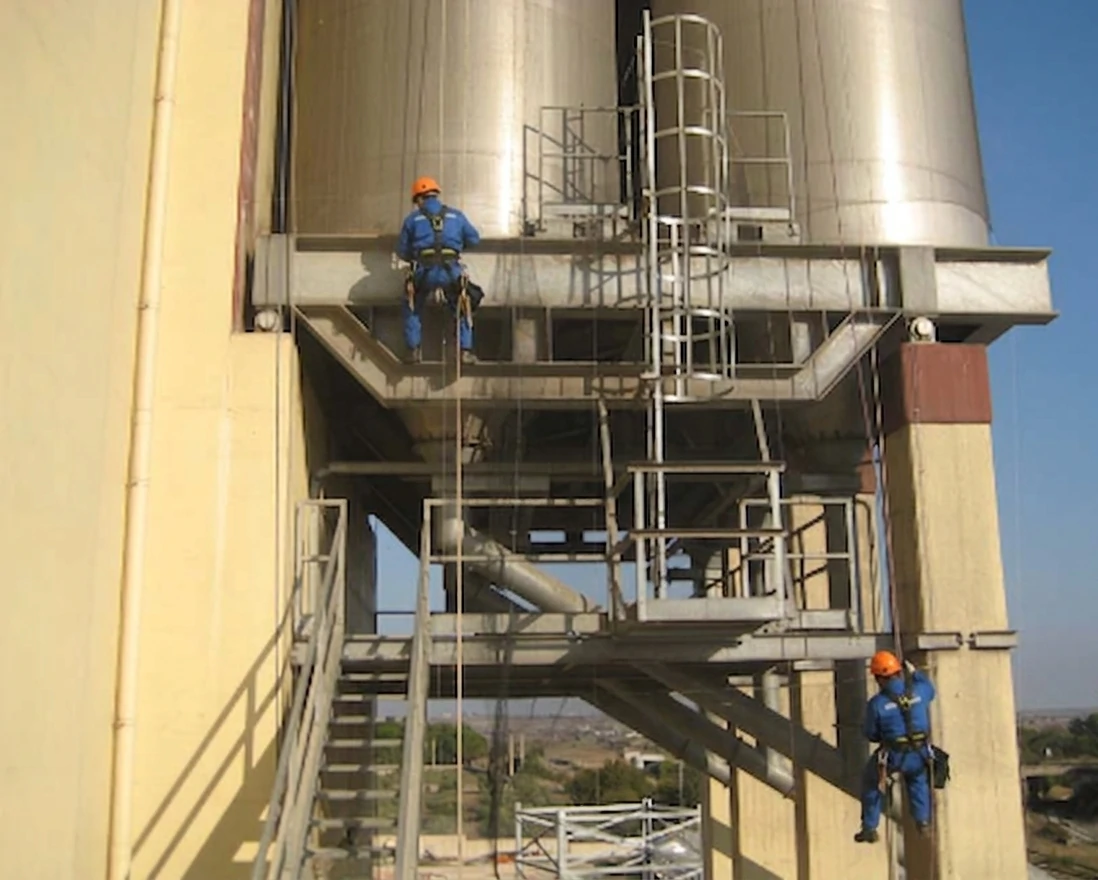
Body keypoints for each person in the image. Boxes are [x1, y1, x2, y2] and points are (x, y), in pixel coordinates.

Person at [397, 176, 482, 364]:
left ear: (420, 198)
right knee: (463, 304)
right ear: (435, 195)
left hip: (424, 271)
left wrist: (416, 256)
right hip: (451, 270)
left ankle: (413, 350)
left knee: (412, 305)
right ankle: (465, 351)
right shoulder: (457, 216)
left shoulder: (412, 219)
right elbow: (474, 239)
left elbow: (402, 251)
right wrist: (454, 247)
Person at [855, 649, 936, 844]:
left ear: (879, 679)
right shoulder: (920, 691)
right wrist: (914, 672)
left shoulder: (877, 704)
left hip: (893, 755)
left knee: (872, 781)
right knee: (917, 780)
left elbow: (871, 734)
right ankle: (923, 821)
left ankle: (869, 827)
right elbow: (929, 688)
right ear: (899, 672)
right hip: (919, 752)